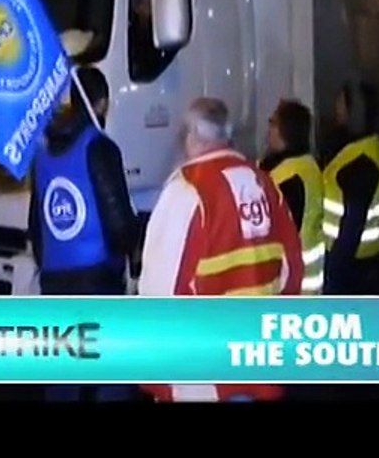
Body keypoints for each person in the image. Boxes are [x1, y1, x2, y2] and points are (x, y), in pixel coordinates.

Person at [137, 97, 303, 402]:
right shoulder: (264, 183)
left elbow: (160, 287)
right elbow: (292, 269)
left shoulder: (186, 191)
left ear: (191, 136)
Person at [27, 65, 140, 402]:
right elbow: (118, 222)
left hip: (55, 279)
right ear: (102, 103)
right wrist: (133, 247)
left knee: (63, 374)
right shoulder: (100, 147)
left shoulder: (43, 152)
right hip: (98, 278)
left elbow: (37, 222)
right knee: (109, 373)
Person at [321, 80, 379, 295]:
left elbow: (351, 228)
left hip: (351, 268)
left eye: (341, 104)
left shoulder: (362, 161)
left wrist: (332, 278)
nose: (336, 109)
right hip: (352, 264)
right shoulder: (357, 147)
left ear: (355, 112)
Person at [259, 99, 326, 295]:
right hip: (301, 283)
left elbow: (276, 237)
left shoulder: (290, 178)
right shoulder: (305, 165)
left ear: (283, 131)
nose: (268, 130)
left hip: (294, 286)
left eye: (272, 123)